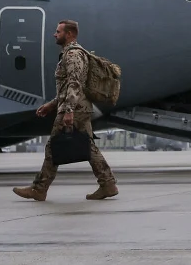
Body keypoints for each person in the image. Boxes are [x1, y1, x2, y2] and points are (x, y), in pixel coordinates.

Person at [13, 21, 118, 202]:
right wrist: (52, 105)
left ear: (69, 34)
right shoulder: (71, 53)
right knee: (88, 146)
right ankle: (108, 184)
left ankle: (39, 189)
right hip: (78, 107)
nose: (55, 34)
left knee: (53, 146)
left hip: (74, 108)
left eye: (58, 31)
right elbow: (68, 86)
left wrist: (68, 111)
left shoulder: (73, 54)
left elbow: (75, 84)